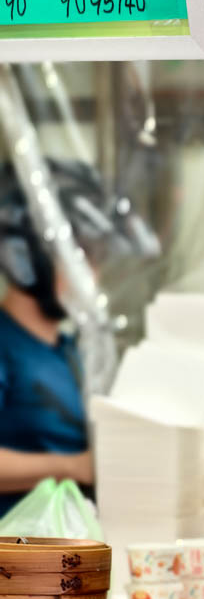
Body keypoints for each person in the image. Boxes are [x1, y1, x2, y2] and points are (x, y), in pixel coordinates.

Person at [0, 163, 93, 517]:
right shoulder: (5, 344)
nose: (89, 278)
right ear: (28, 258)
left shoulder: (69, 350)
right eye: (75, 258)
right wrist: (72, 466)